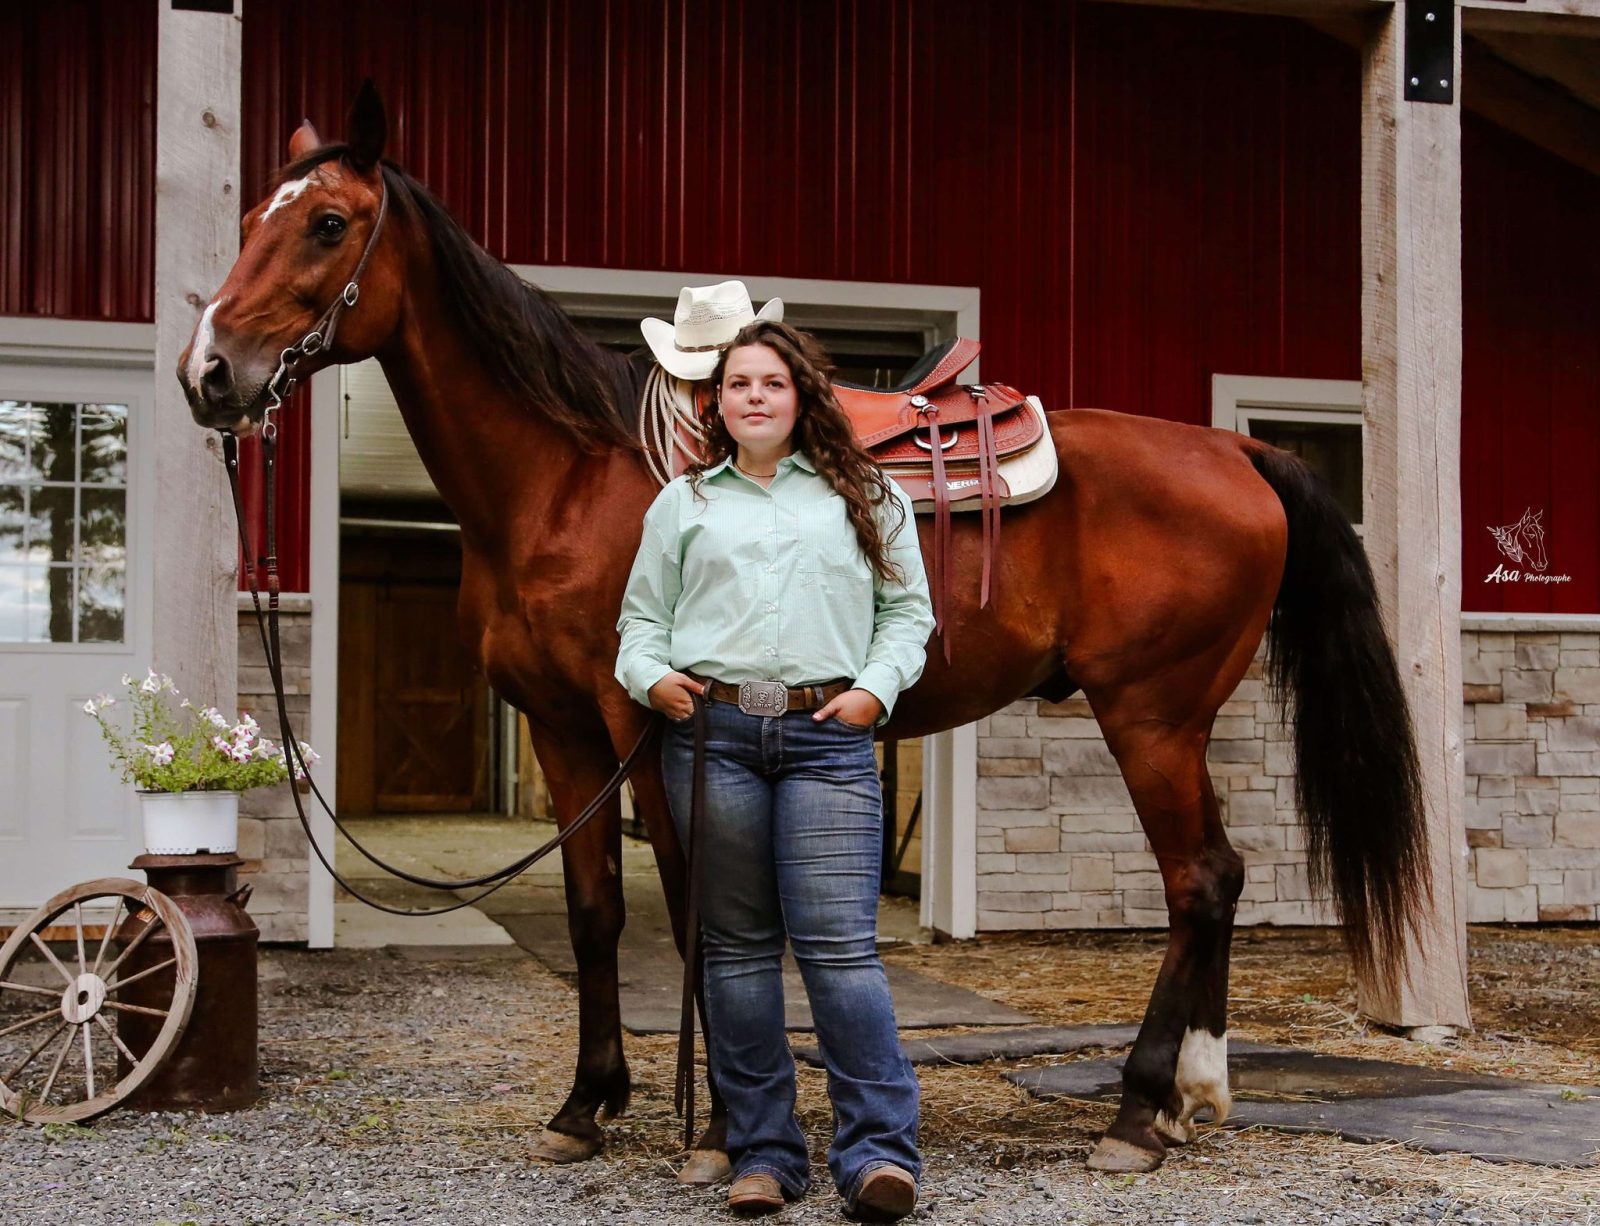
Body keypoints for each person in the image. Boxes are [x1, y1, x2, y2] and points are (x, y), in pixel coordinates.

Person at [616, 320, 934, 1219]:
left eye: (774, 383)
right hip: (712, 737)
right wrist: (652, 677)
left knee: (840, 951)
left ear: (802, 399)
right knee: (738, 956)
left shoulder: (867, 494)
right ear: (715, 402)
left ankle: (877, 1156)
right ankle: (764, 1155)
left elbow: (908, 614)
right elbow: (640, 623)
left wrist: (875, 690)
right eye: (739, 383)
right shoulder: (684, 504)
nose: (755, 395)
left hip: (827, 739)